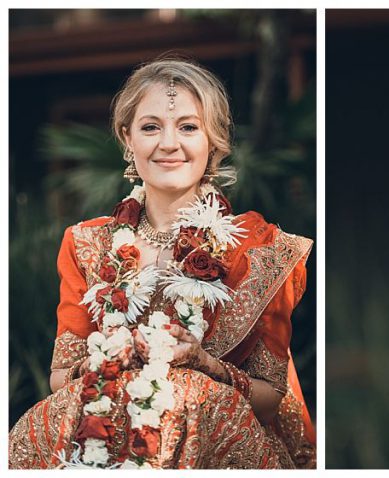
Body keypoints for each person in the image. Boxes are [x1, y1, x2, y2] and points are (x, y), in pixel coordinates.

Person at [9, 58, 315, 469]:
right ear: (126, 138)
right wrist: (112, 357)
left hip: (213, 444)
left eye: (188, 127)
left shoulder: (258, 247)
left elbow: (269, 399)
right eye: (151, 127)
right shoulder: (87, 243)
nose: (169, 143)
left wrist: (202, 363)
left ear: (214, 140)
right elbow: (61, 377)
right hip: (100, 431)